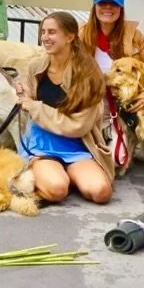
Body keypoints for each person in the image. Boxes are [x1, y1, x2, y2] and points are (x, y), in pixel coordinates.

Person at [15, 11, 116, 204]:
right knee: (57, 189)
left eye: (51, 32)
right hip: (42, 143)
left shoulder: (88, 74)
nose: (45, 37)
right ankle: (53, 175)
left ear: (70, 37)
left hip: (77, 143)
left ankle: (61, 175)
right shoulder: (36, 67)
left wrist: (34, 107)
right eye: (43, 32)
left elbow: (78, 126)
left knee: (101, 192)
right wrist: (23, 96)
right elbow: (29, 100)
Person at [79, 0, 144, 172]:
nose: (107, 9)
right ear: (95, 7)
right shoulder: (83, 35)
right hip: (94, 107)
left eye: (113, 5)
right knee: (91, 159)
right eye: (103, 4)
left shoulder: (133, 36)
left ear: (120, 9)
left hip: (123, 112)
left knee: (117, 160)